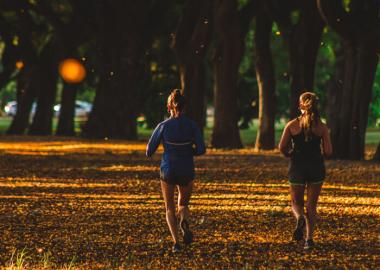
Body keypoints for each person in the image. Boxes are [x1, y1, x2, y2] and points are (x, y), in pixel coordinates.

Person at [146, 89, 206, 252]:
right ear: (185, 107)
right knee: (183, 204)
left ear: (169, 107)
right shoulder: (192, 126)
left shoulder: (163, 126)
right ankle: (184, 223)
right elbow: (201, 149)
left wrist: (168, 148)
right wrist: (188, 151)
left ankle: (176, 243)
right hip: (186, 168)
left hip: (168, 169)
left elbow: (149, 151)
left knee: (169, 207)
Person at [278, 92, 332, 250]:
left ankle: (299, 217)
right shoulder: (322, 127)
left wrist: (289, 154)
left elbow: (282, 147)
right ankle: (309, 240)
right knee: (312, 205)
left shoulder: (292, 125)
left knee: (296, 203)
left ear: (301, 106)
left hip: (297, 166)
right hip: (316, 167)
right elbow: (328, 152)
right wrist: (319, 154)